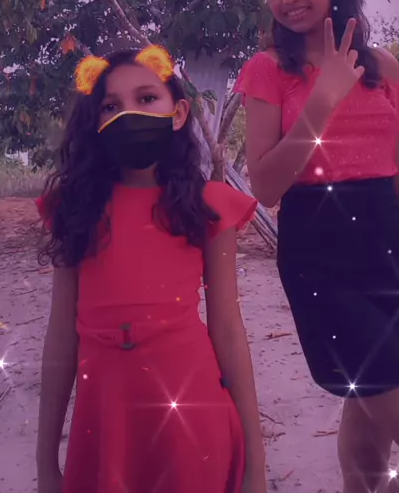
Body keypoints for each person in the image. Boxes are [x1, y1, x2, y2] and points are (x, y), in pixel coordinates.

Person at [235, 0, 399, 493]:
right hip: (322, 261)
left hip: (385, 255)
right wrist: (323, 99)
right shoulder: (268, 69)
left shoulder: (383, 67)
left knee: (368, 420)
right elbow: (265, 185)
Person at [35, 45, 266, 493]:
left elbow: (227, 330)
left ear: (178, 113)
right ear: (96, 123)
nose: (129, 114)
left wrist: (256, 465)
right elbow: (61, 335)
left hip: (192, 416)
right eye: (110, 106)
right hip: (104, 419)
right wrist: (46, 463)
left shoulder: (207, 207)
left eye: (146, 98)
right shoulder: (74, 210)